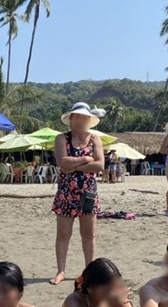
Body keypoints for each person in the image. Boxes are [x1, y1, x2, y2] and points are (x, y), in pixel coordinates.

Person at [50, 102, 106, 286]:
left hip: (88, 192)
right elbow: (62, 162)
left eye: (84, 117)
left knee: (89, 234)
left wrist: (73, 165)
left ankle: (89, 273)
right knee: (63, 233)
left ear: (89, 119)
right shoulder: (61, 138)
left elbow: (100, 165)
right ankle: (60, 271)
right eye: (77, 116)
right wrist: (85, 159)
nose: (80, 120)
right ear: (71, 119)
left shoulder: (95, 139)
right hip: (66, 193)